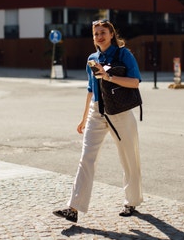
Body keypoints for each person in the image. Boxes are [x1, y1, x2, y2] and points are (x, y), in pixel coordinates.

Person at [53, 19, 143, 223]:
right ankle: (73, 208)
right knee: (86, 158)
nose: (99, 36)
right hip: (96, 111)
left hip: (119, 111)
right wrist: (84, 117)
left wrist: (108, 76)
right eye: (96, 34)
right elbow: (90, 90)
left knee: (129, 157)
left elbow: (135, 82)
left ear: (111, 34)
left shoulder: (124, 54)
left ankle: (132, 201)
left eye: (103, 32)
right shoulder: (91, 58)